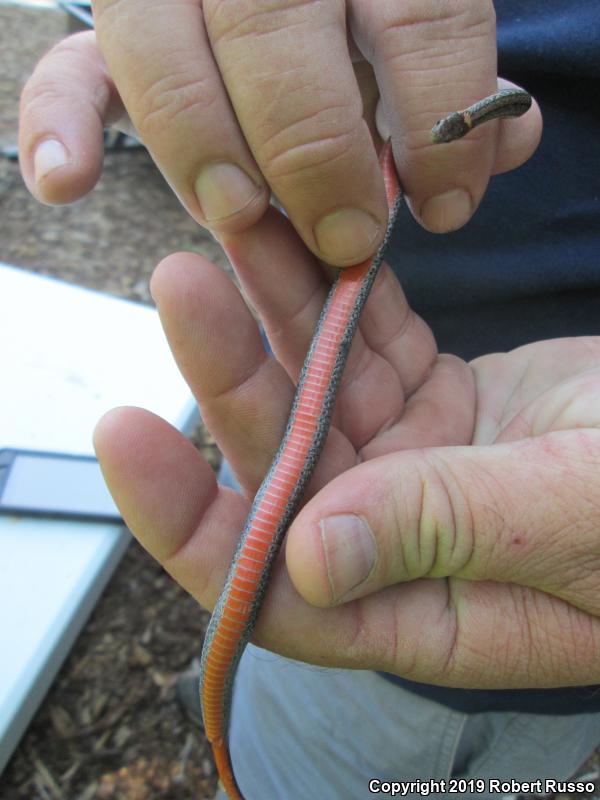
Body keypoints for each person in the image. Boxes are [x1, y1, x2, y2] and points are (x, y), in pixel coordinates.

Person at [18, 1, 600, 797]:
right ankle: (228, 713)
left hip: (503, 639)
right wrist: (206, 62)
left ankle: (235, 739)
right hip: (304, 423)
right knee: (256, 598)